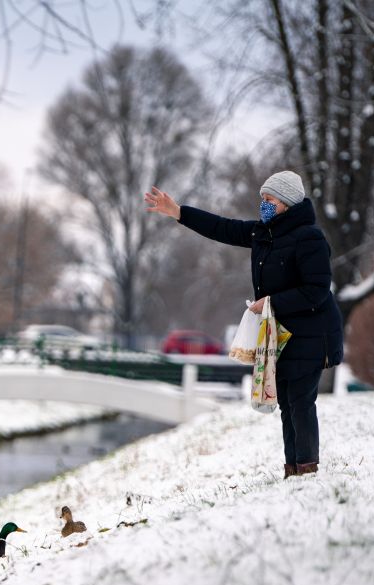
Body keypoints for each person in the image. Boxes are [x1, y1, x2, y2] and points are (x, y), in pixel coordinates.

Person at [144, 171, 344, 478]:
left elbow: (316, 290)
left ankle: (307, 469)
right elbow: (223, 228)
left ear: (288, 202)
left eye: (269, 200)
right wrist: (179, 213)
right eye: (262, 199)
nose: (263, 205)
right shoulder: (264, 233)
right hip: (281, 335)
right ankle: (293, 470)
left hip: (312, 333)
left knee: (301, 402)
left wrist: (271, 302)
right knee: (287, 405)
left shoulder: (310, 238)